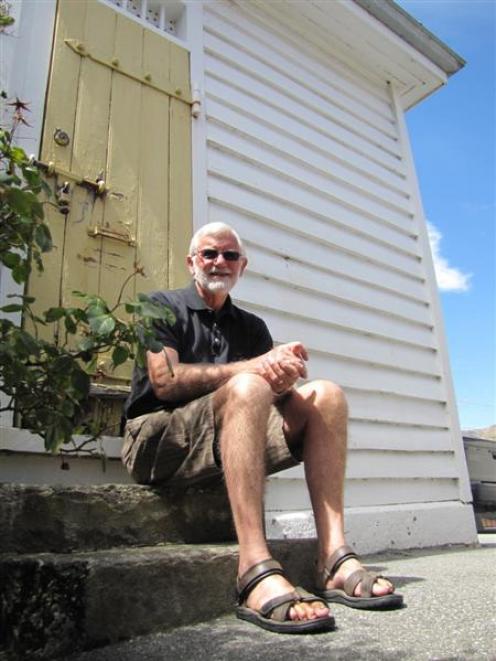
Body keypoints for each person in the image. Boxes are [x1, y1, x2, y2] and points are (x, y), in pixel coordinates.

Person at [122, 222, 403, 634]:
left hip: (218, 443)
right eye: (209, 253)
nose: (220, 262)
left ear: (243, 266)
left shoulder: (251, 328)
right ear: (191, 261)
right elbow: (164, 382)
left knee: (326, 395)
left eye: (230, 256)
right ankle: (253, 566)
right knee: (250, 384)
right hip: (155, 442)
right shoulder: (159, 306)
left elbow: (272, 398)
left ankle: (332, 557)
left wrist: (285, 379)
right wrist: (254, 370)